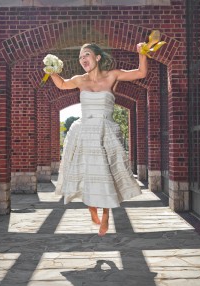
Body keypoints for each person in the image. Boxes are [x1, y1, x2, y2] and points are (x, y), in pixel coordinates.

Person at [48, 40, 151, 236]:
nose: (82, 59)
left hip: (105, 131)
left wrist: (142, 53)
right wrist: (52, 69)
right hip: (84, 131)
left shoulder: (112, 75)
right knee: (87, 172)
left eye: (86, 54)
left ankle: (106, 214)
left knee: (105, 172)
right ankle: (91, 207)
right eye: (80, 57)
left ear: (97, 57)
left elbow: (140, 73)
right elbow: (61, 84)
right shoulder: (80, 79)